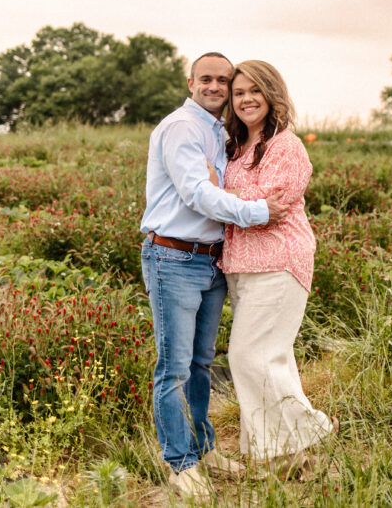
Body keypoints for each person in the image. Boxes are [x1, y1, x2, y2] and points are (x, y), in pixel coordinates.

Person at [139, 52, 286, 499]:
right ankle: (180, 463)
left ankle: (202, 449)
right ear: (190, 82)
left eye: (225, 81)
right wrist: (255, 211)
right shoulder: (182, 128)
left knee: (202, 364)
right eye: (208, 79)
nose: (217, 87)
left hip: (210, 260)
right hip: (175, 258)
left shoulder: (219, 132)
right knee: (175, 368)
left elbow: (217, 188)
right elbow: (196, 193)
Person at [213, 60, 336, 476]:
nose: (246, 99)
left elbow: (271, 205)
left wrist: (220, 193)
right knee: (268, 357)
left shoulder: (286, 145)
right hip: (242, 267)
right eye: (239, 92)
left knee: (250, 356)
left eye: (255, 91)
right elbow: (245, 202)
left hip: (279, 263)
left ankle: (306, 434)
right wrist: (234, 197)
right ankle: (280, 454)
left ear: (272, 94)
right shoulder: (236, 146)